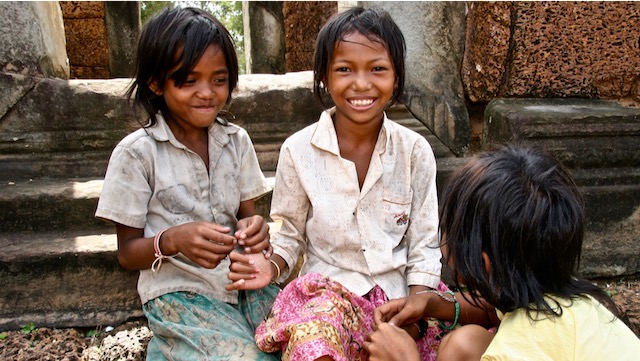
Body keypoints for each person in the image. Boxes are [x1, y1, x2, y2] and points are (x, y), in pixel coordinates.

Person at [226, 6, 452, 361]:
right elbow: (289, 235)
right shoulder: (298, 151)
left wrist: (414, 306)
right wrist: (269, 267)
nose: (361, 84)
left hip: (396, 298)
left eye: (377, 69)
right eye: (344, 69)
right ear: (324, 78)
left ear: (396, 77)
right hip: (326, 295)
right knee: (314, 341)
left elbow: (423, 244)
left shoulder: (415, 152)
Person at [95, 7, 279, 360]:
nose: (207, 93)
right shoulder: (137, 154)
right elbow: (127, 253)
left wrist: (256, 230)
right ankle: (171, 344)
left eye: (219, 80)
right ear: (155, 83)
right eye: (188, 80)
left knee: (295, 337)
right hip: (179, 291)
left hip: (240, 281)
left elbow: (247, 218)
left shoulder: (236, 140)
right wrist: (173, 239)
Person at [364, 145, 640, 361]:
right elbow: (494, 310)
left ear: (482, 262)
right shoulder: (570, 306)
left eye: (448, 227)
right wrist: (434, 303)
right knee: (466, 343)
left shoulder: (519, 348)